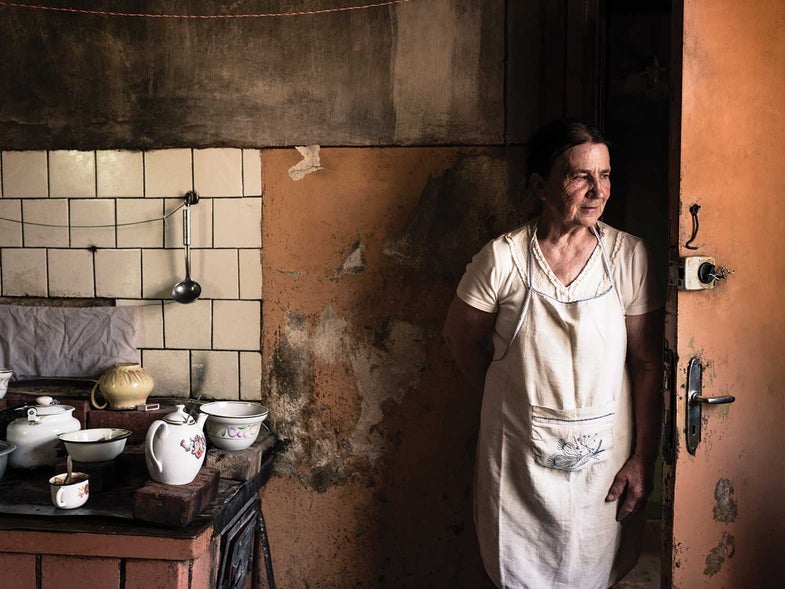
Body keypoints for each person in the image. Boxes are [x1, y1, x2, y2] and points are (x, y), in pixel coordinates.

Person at [443, 119, 664, 589]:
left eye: (605, 175)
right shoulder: (502, 259)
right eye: (579, 175)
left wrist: (644, 458)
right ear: (541, 185)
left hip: (602, 467)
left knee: (592, 570)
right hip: (518, 464)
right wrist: (515, 396)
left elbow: (646, 363)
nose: (597, 190)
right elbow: (461, 340)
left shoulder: (628, 258)